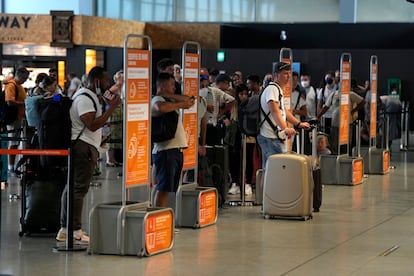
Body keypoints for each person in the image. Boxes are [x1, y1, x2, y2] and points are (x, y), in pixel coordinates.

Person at [56, 66, 121, 243]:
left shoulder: (90, 96)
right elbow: (91, 124)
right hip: (82, 147)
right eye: (106, 81)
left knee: (74, 188)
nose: (109, 85)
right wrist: (111, 108)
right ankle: (74, 229)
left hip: (86, 145)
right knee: (78, 188)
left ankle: (66, 228)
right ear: (97, 81)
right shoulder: (84, 98)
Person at [151, 72, 195, 207]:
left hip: (176, 150)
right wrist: (179, 105)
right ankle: (158, 218)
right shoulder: (156, 100)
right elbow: (160, 107)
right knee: (163, 189)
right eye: (171, 85)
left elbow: (189, 100)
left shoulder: (169, 99)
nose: (174, 88)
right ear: (163, 85)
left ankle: (165, 217)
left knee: (170, 189)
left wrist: (170, 95)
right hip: (166, 150)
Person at [257, 62, 310, 170]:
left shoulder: (277, 90)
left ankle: (267, 187)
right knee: (277, 170)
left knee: (269, 170)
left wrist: (298, 123)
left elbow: (284, 112)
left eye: (289, 74)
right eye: (285, 74)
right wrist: (285, 128)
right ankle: (271, 187)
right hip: (271, 137)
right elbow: (274, 110)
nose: (288, 77)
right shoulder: (273, 89)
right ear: (276, 75)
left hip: (272, 137)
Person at [199, 70, 236, 146]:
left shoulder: (214, 91)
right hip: (197, 128)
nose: (203, 79)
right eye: (200, 77)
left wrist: (221, 112)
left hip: (211, 126)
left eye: (205, 77)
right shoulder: (191, 91)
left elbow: (232, 100)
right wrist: (206, 106)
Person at [5, 67, 29, 175]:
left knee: (15, 143)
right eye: (24, 78)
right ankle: (10, 168)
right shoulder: (11, 85)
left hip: (18, 118)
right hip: (13, 119)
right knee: (13, 143)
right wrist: (23, 104)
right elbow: (10, 102)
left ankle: (13, 167)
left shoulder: (20, 86)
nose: (25, 80)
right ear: (19, 75)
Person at [105, 69, 124, 167]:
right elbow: (106, 96)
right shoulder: (115, 88)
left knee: (117, 139)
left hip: (120, 115)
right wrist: (112, 105)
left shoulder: (122, 88)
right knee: (111, 139)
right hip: (114, 115)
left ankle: (114, 159)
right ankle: (109, 159)